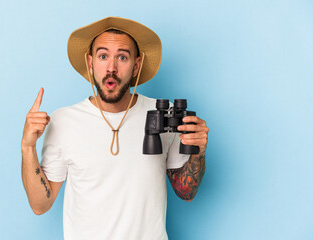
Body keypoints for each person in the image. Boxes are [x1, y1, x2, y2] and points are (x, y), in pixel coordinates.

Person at [21, 17, 209, 240]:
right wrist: (27, 146)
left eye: (122, 57)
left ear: (136, 65)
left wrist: (198, 151)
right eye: (103, 56)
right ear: (90, 63)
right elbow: (40, 205)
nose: (111, 68)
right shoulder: (64, 121)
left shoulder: (162, 114)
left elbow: (186, 193)